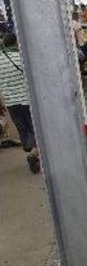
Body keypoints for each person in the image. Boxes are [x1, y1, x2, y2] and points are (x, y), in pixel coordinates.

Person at [0, 34, 40, 173]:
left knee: (23, 129)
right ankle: (34, 153)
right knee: (34, 127)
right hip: (27, 100)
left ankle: (30, 147)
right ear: (16, 43)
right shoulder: (22, 57)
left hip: (11, 103)